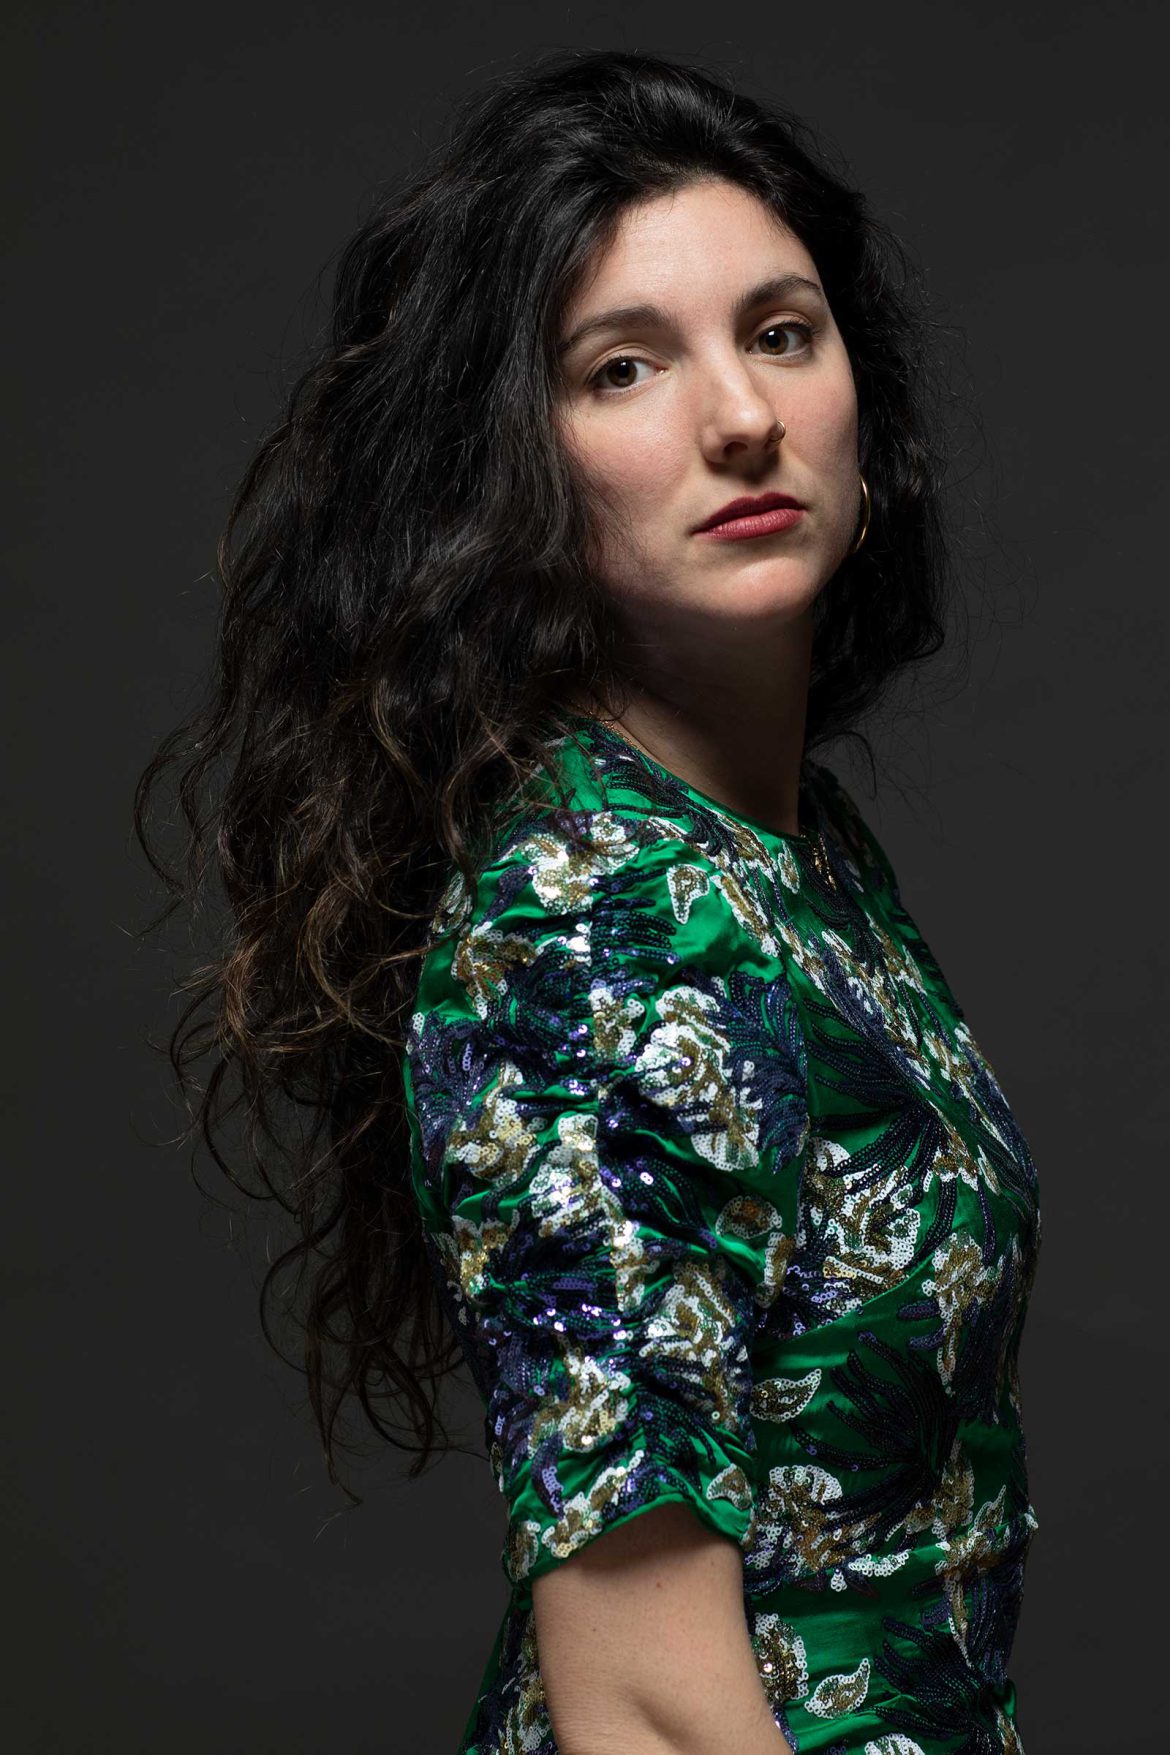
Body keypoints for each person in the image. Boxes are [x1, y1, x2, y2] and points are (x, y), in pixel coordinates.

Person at [136, 45, 1041, 1755]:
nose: (741, 416)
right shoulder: (599, 914)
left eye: (781, 332)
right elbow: (641, 1697)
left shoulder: (788, 850)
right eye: (622, 367)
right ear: (512, 472)